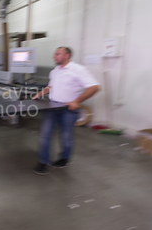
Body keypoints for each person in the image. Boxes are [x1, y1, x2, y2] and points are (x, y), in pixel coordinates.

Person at [31, 47, 100, 175]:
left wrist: (77, 101)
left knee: (66, 137)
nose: (54, 56)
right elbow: (50, 86)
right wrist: (39, 94)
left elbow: (94, 87)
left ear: (67, 55)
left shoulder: (78, 70)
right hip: (52, 107)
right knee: (45, 134)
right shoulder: (55, 71)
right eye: (54, 54)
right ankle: (44, 161)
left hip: (68, 109)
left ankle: (64, 158)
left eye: (57, 54)